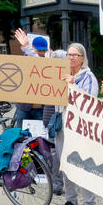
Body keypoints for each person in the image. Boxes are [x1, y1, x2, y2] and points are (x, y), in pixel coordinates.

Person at [55, 43, 100, 205]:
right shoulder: (60, 73)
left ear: (82, 58)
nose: (71, 57)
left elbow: (90, 102)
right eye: (69, 54)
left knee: (82, 165)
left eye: (75, 55)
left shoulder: (88, 77)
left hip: (80, 129)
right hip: (63, 126)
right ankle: (71, 201)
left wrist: (74, 86)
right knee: (65, 165)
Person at [43, 49, 68, 196]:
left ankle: (57, 183)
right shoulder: (53, 76)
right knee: (57, 153)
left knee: (56, 153)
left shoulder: (51, 76)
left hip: (53, 119)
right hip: (55, 120)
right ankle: (57, 184)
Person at [13, 28, 48, 128]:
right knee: (21, 135)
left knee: (39, 137)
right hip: (23, 107)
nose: (41, 53)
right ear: (33, 48)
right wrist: (26, 47)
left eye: (43, 51)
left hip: (40, 109)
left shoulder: (48, 66)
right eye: (39, 50)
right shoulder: (25, 60)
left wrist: (26, 46)